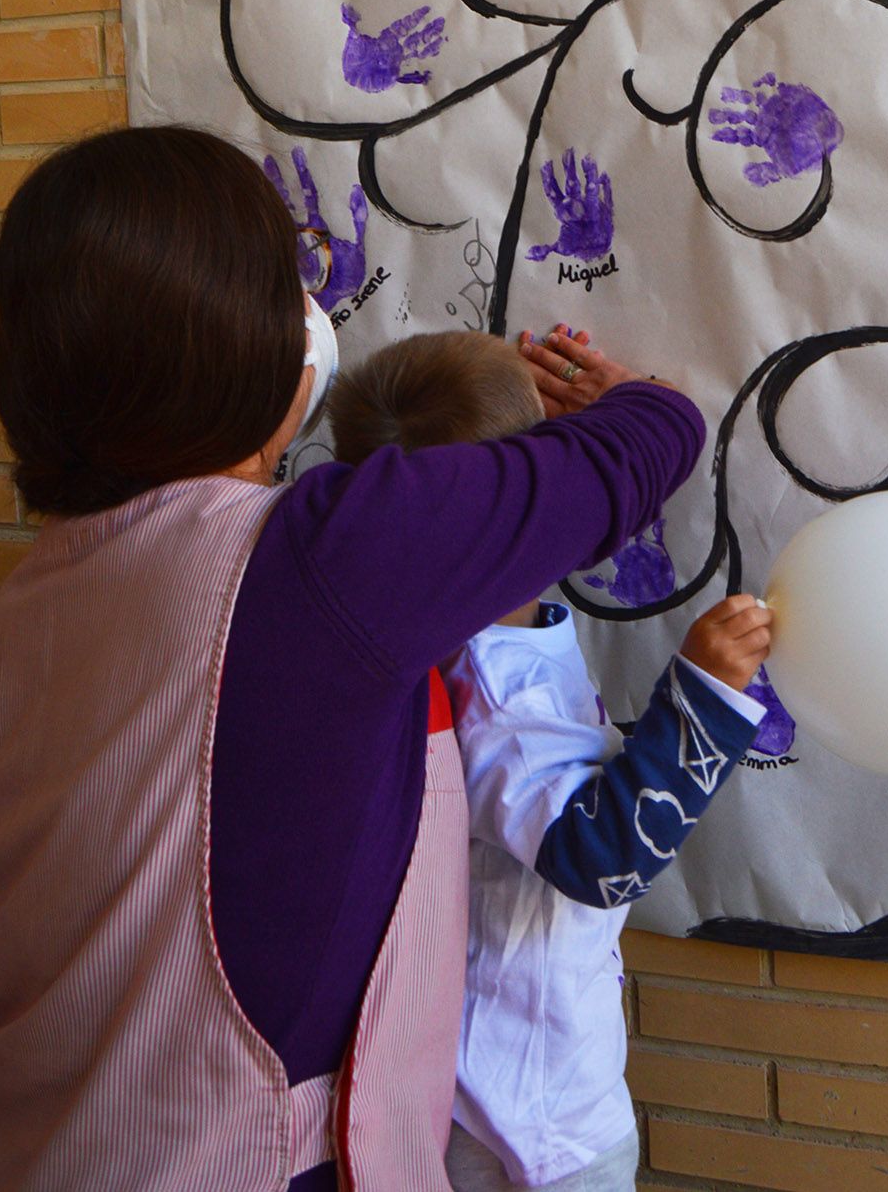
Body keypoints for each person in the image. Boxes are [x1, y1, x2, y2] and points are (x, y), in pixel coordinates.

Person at [0, 126, 707, 1192]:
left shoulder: (43, 585)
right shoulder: (319, 557)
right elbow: (645, 444)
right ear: (244, 337)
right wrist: (634, 396)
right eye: (284, 276)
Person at [328, 331, 773, 1192]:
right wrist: (704, 697)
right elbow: (598, 857)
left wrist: (622, 408)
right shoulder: (491, 690)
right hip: (527, 1119)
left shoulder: (458, 642)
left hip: (497, 1091)